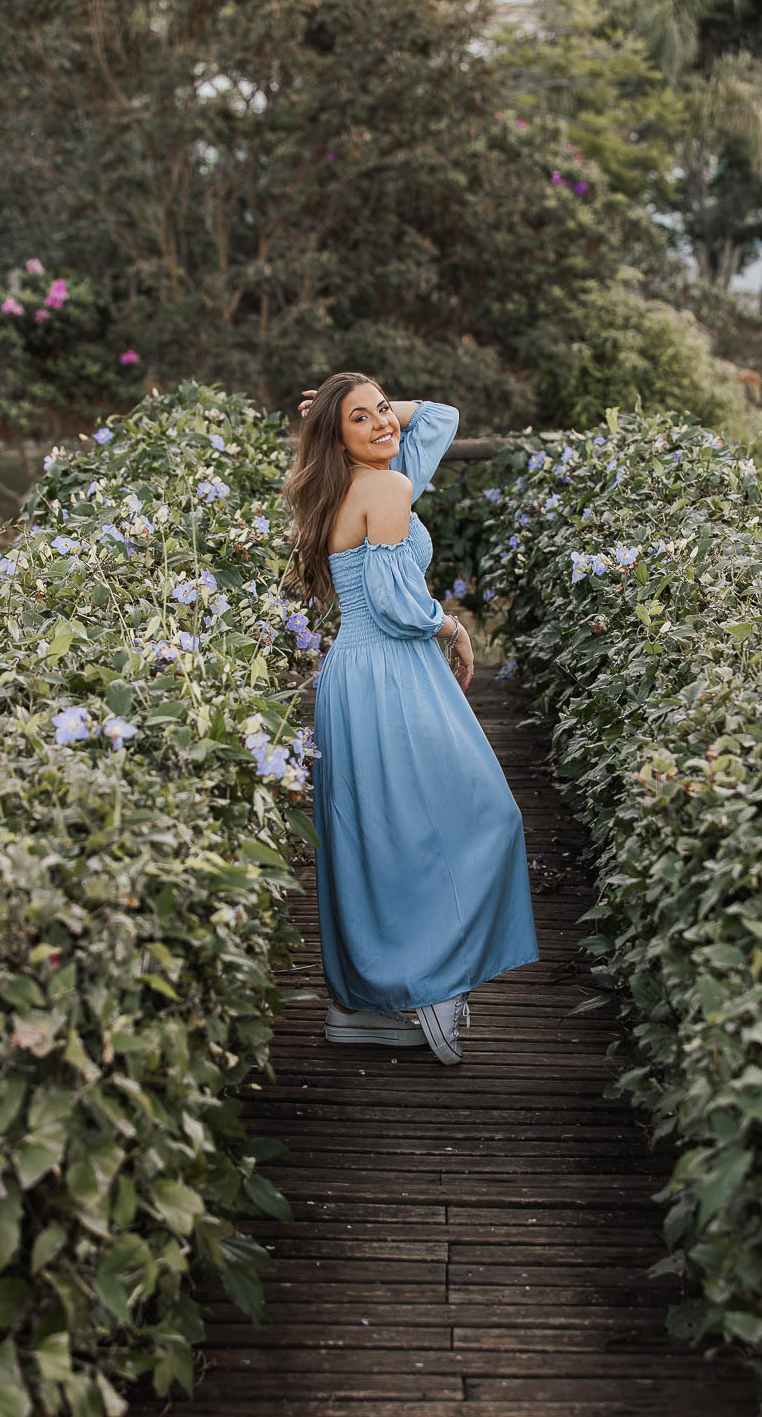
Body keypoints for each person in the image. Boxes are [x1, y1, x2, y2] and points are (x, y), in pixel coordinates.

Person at [280, 371, 539, 1064]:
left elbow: (441, 418)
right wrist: (452, 627)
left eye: (383, 410)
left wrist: (365, 412)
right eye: (360, 420)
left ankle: (366, 1005)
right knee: (483, 814)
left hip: (353, 674)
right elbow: (399, 607)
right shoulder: (387, 488)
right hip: (391, 669)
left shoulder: (353, 483)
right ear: (338, 438)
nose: (384, 425)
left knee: (378, 834)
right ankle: (430, 982)